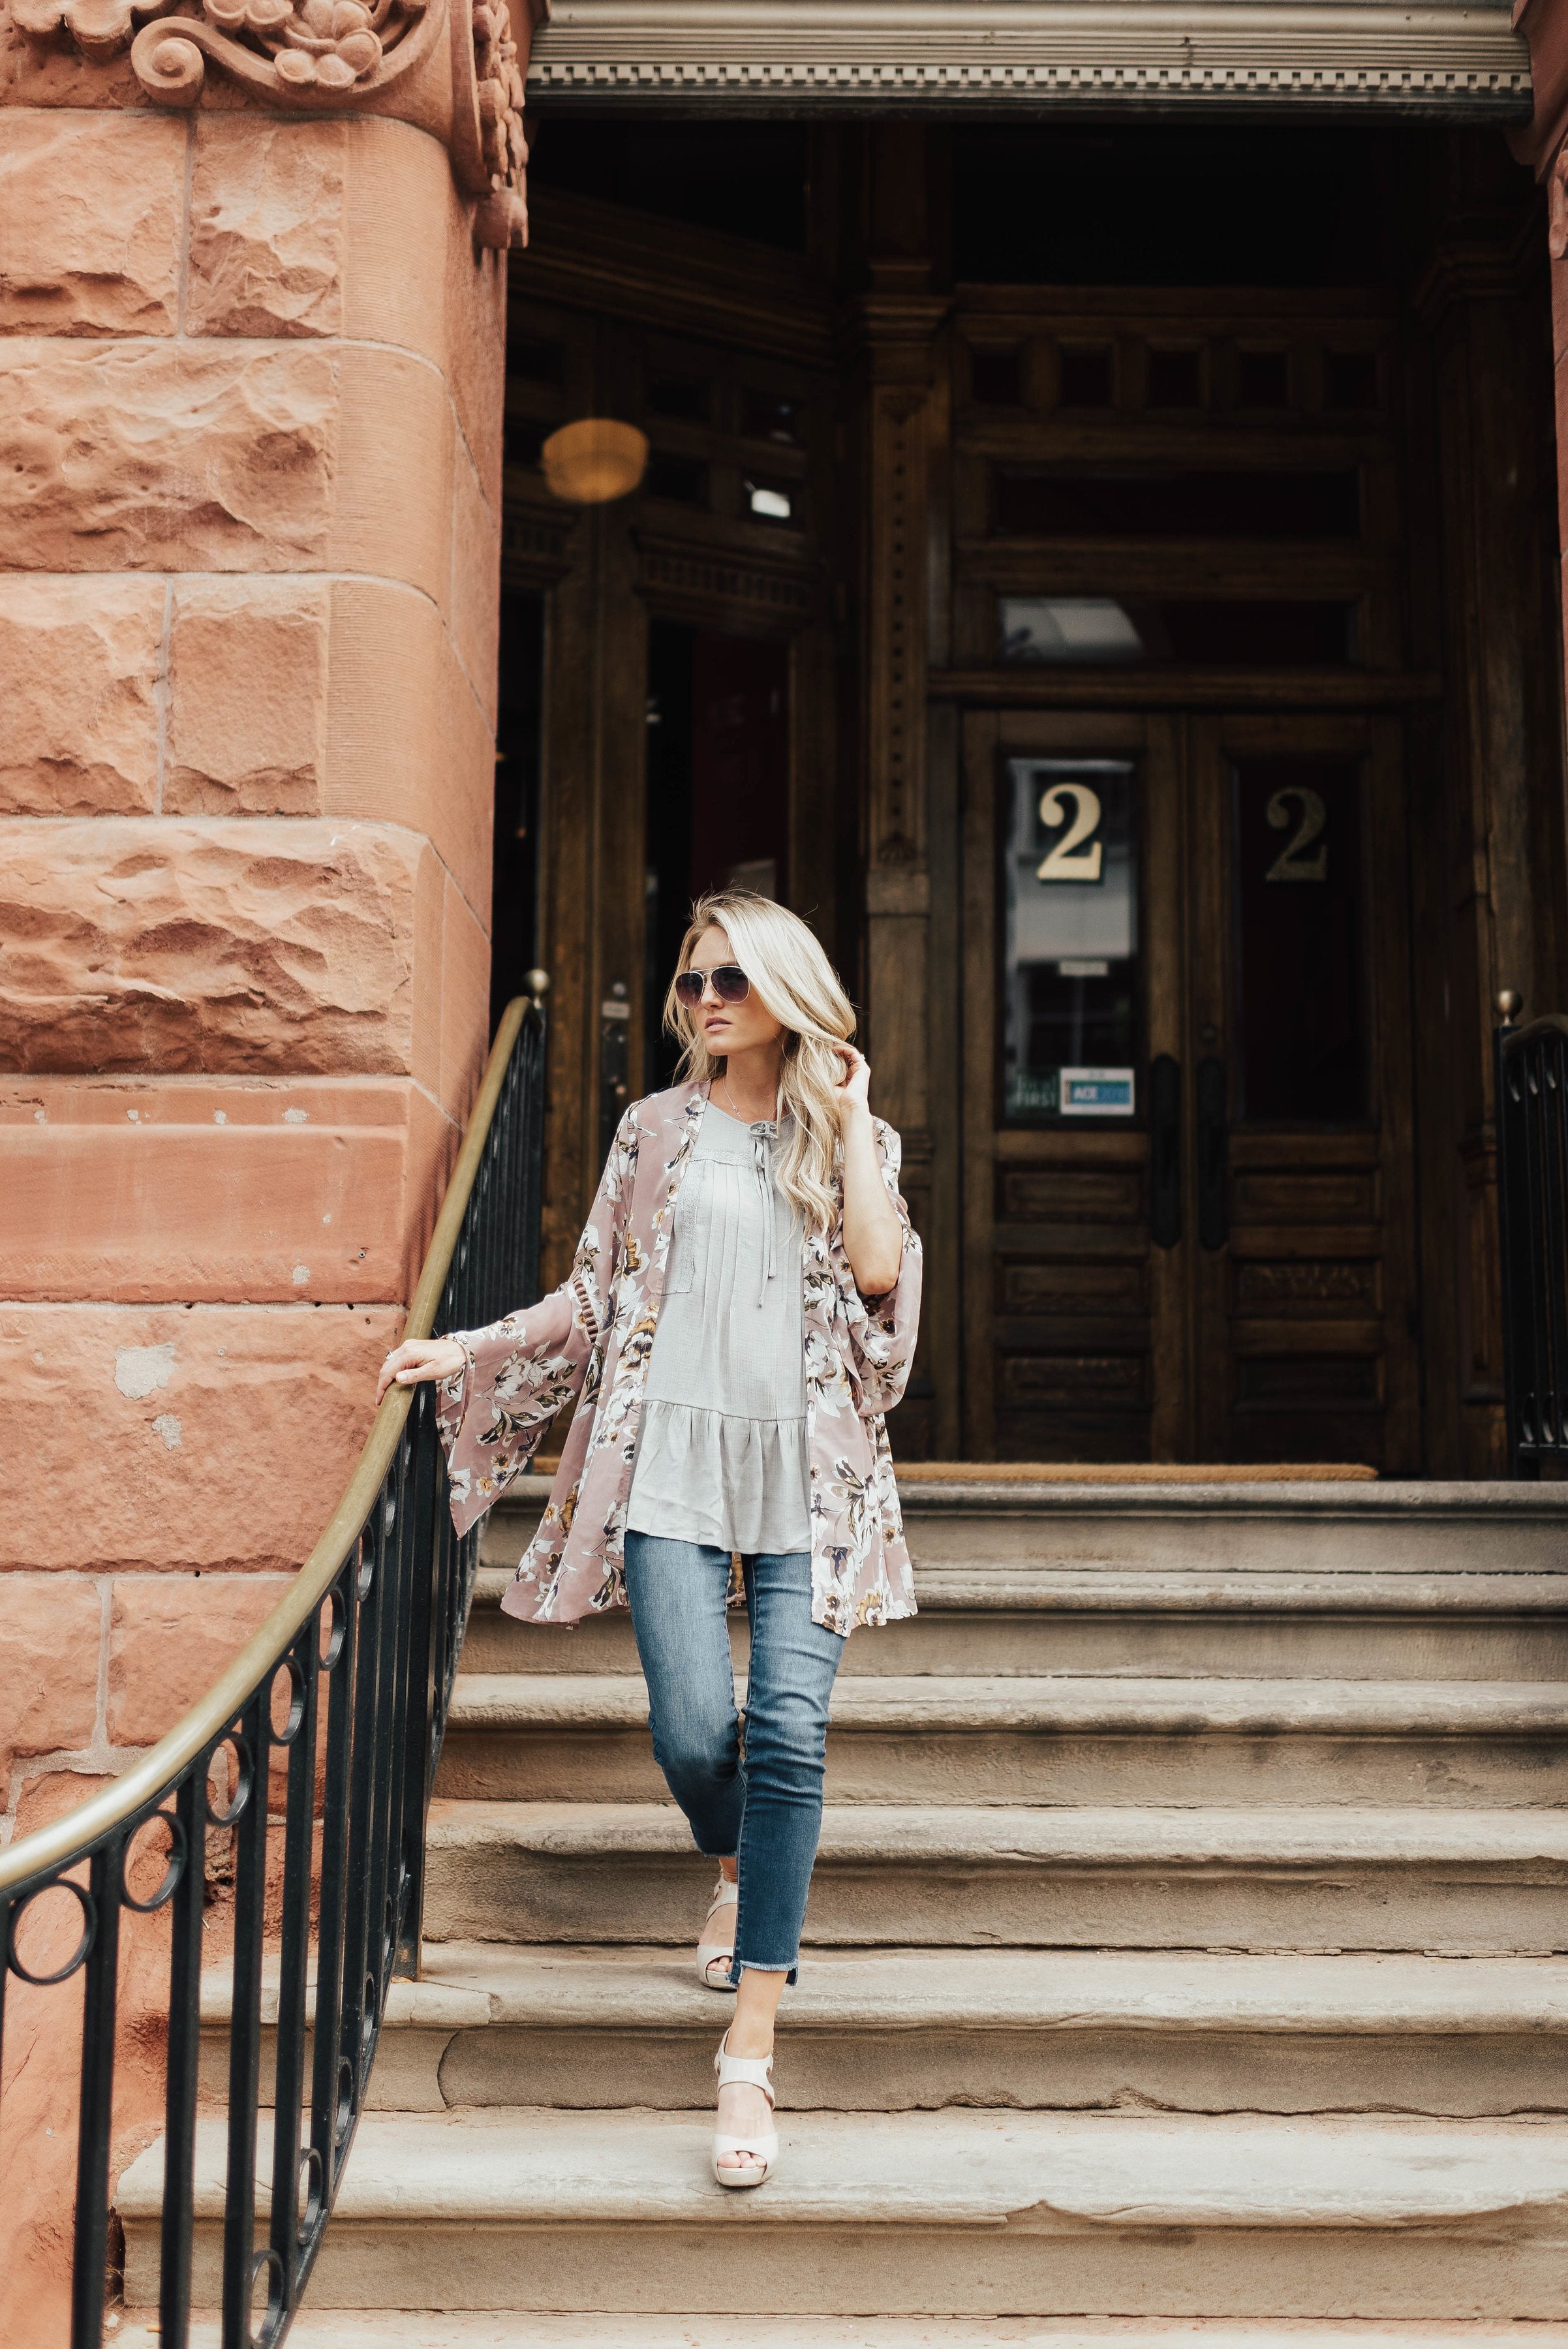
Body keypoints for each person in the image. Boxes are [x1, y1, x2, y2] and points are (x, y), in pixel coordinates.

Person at [377, 889, 923, 2189]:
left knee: (786, 1732)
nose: (707, 1002)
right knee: (691, 1730)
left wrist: (844, 1124)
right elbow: (593, 1291)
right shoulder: (652, 1132)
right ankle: (736, 1868)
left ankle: (749, 2046)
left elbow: (881, 1298)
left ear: (786, 990)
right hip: (668, 1461)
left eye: (730, 979)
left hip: (807, 1475)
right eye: (693, 984)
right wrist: (470, 1347)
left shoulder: (856, 1136)